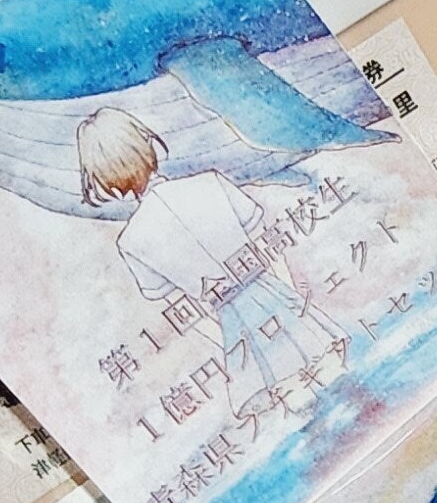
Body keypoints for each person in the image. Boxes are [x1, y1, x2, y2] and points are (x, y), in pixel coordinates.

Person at [73, 108, 345, 399]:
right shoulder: (209, 182)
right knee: (326, 364)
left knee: (276, 393)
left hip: (233, 327)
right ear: (147, 144)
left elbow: (182, 306)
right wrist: (293, 297)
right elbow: (267, 245)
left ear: (106, 181)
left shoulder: (131, 242)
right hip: (279, 297)